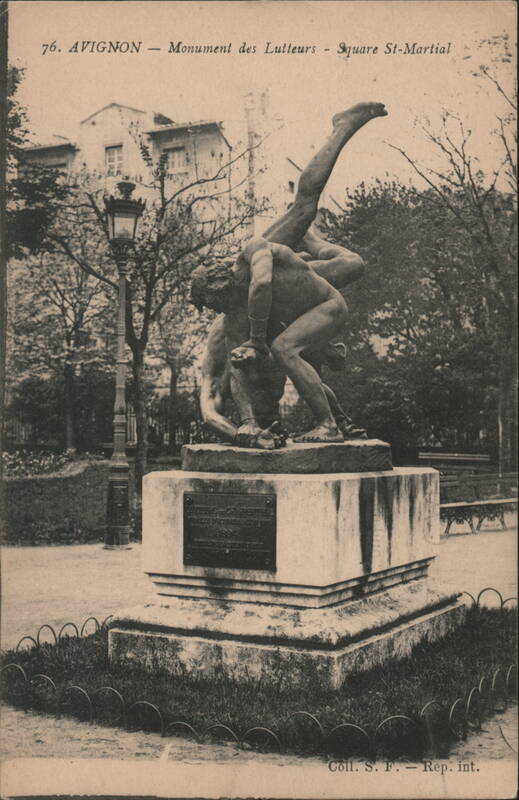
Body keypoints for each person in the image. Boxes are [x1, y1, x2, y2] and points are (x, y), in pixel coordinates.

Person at [191, 101, 387, 445]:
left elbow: (210, 409)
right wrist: (250, 431)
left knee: (304, 208)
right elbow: (308, 366)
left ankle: (342, 127)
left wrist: (245, 428)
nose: (276, 409)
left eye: (269, 411)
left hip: (267, 266)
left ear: (219, 293)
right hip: (295, 288)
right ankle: (308, 242)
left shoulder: (226, 331)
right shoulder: (250, 333)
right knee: (352, 266)